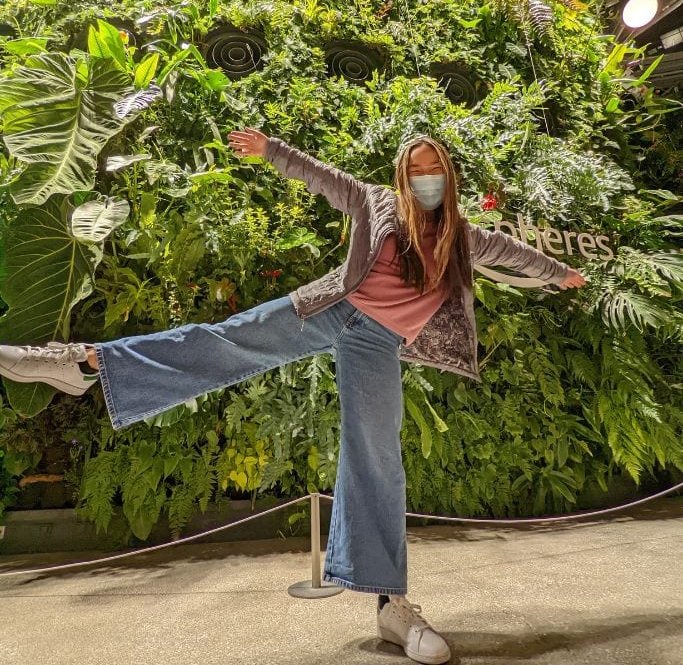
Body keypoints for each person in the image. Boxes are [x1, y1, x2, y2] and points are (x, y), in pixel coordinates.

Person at [0, 127, 585, 665]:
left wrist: (562, 273)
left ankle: (391, 610)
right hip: (331, 311)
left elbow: (516, 253)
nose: (423, 178)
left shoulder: (463, 238)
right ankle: (82, 359)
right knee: (226, 342)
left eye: (433, 168)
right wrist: (272, 151)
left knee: (378, 459)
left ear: (448, 176)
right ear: (401, 177)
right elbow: (326, 178)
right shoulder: (376, 202)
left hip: (377, 344)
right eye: (414, 170)